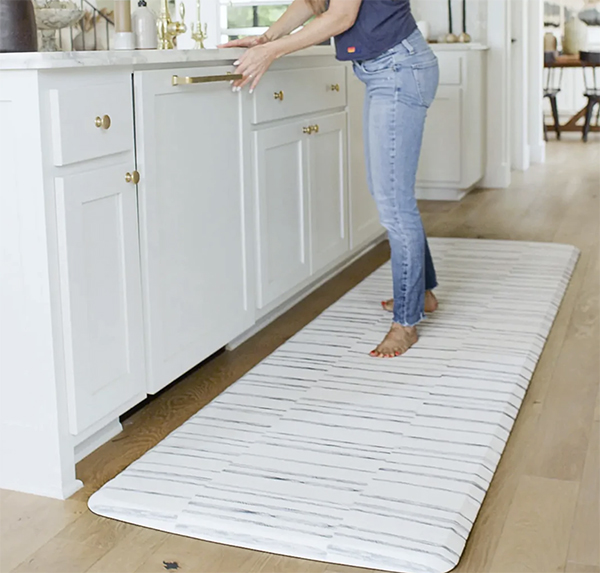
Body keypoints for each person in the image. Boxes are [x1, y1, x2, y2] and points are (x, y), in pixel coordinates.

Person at [220, 0, 439, 358]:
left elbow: (341, 16)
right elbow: (311, 2)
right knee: (393, 197)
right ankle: (423, 294)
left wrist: (272, 50)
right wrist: (266, 38)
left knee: (393, 203)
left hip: (399, 69)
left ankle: (406, 322)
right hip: (387, 69)